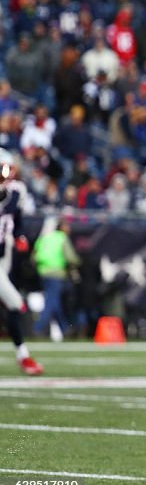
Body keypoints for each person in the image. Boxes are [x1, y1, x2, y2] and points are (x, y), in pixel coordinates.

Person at [0, 150, 43, 375]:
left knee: (12, 306)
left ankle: (23, 356)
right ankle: (23, 357)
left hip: (4, 258)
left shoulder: (16, 191)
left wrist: (20, 236)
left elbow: (16, 219)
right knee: (15, 303)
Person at [32, 218, 82, 341]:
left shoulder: (45, 237)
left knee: (55, 301)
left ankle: (65, 328)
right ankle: (37, 328)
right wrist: (78, 262)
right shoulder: (61, 238)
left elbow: (34, 256)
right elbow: (71, 257)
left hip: (43, 272)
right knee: (51, 301)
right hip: (56, 273)